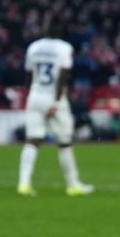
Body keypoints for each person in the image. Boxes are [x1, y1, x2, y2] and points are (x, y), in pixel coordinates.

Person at [17, 18, 94, 197]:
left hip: (35, 95)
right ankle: (73, 185)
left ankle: (23, 184)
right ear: (60, 30)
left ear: (45, 29)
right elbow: (63, 75)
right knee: (65, 141)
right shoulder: (64, 48)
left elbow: (28, 76)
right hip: (54, 97)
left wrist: (28, 97)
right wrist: (56, 101)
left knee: (33, 139)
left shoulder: (33, 47)